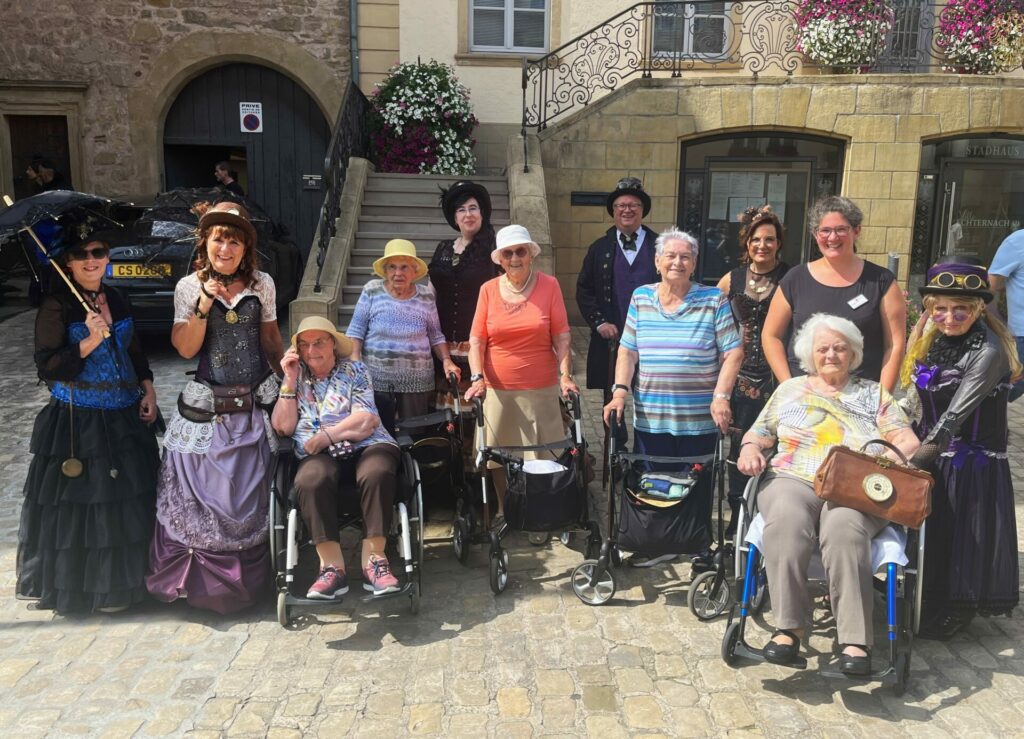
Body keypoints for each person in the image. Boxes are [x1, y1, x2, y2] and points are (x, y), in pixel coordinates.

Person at [738, 314, 920, 674]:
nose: (832, 354)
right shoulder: (790, 390)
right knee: (786, 521)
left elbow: (907, 441)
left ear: (853, 354)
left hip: (855, 487)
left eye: (840, 348)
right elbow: (758, 432)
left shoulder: (872, 394)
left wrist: (877, 460)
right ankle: (788, 627)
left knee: (842, 528)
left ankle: (854, 640)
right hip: (793, 478)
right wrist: (750, 450)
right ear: (810, 354)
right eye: (823, 348)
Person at [146, 201, 284, 614]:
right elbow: (186, 348)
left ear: (246, 248)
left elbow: (271, 341)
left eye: (235, 241)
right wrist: (203, 304)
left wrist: (292, 380)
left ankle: (252, 585)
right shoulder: (189, 287)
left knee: (251, 493)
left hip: (254, 403)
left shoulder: (263, 285)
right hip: (207, 407)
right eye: (219, 238)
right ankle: (196, 585)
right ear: (205, 242)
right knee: (203, 494)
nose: (226, 248)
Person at [17, 232, 160, 613]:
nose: (92, 260)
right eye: (81, 255)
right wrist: (89, 341)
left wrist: (148, 388)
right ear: (68, 264)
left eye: (98, 251)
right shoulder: (56, 305)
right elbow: (47, 366)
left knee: (129, 500)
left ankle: (131, 585)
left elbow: (134, 351)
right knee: (92, 503)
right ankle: (98, 590)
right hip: (78, 418)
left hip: (125, 412)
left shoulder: (116, 297)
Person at [603, 229, 743, 564]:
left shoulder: (713, 299)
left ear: (694, 263)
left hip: (698, 418)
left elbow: (733, 352)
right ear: (657, 261)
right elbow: (627, 350)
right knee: (653, 481)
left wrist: (722, 395)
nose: (677, 262)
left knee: (694, 482)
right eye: (671, 256)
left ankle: (693, 542)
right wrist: (620, 391)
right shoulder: (641, 297)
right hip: (652, 415)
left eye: (685, 257)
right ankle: (656, 542)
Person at [902, 259, 1021, 639]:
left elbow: (953, 418)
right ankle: (930, 596)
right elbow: (913, 399)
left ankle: (959, 607)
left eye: (960, 309)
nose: (949, 317)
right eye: (940, 308)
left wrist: (913, 461)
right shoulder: (933, 341)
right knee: (935, 532)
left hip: (971, 462)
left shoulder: (987, 351)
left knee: (961, 535)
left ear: (978, 309)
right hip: (935, 455)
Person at [271, 316, 402, 598]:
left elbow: (366, 419)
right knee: (310, 478)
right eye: (304, 344)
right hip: (318, 455)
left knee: (377, 470)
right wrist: (290, 380)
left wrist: (327, 436)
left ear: (333, 344)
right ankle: (331, 568)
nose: (311, 350)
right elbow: (283, 426)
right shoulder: (296, 377)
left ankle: (375, 562)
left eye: (319, 342)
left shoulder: (355, 370)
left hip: (366, 444)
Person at [465, 225, 579, 518]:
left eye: (520, 251)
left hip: (539, 388)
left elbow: (562, 335)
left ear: (530, 255)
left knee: (541, 455)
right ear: (500, 259)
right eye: (508, 253)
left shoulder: (549, 285)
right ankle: (507, 509)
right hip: (498, 390)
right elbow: (477, 340)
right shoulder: (487, 290)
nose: (514, 258)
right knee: (501, 455)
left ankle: (538, 512)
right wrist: (477, 378)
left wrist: (565, 376)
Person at [762, 195, 906, 391]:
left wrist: (882, 398)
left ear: (857, 230)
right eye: (825, 231)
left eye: (841, 230)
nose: (832, 238)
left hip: (862, 396)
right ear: (815, 234)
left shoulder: (881, 281)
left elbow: (895, 345)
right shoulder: (794, 279)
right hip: (805, 396)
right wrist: (789, 386)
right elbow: (771, 336)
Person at [716, 205, 790, 534]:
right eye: (757, 239)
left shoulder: (791, 278)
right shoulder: (731, 279)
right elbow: (712, 322)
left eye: (770, 240)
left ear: (778, 243)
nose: (763, 245)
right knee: (738, 448)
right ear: (747, 243)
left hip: (777, 374)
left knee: (776, 445)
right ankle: (737, 516)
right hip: (740, 374)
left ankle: (770, 512)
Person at [347, 239, 459, 434]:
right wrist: (356, 363)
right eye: (392, 267)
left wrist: (447, 360)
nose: (398, 273)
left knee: (415, 434)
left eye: (404, 267)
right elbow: (356, 330)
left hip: (417, 379)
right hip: (376, 377)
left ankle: (412, 465)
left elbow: (435, 334)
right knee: (377, 432)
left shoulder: (426, 296)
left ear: (414, 271)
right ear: (385, 270)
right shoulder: (372, 290)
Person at [576, 177, 659, 406]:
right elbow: (585, 289)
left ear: (643, 210)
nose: (627, 210)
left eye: (633, 205)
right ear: (613, 211)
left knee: (652, 397)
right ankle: (614, 442)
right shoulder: (599, 248)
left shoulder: (662, 246)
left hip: (652, 338)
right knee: (613, 399)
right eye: (621, 206)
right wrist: (600, 322)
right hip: (612, 340)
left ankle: (647, 442)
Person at [428, 180, 498, 408]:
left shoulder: (494, 249)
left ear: (482, 213)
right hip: (443, 346)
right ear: (455, 217)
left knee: (475, 412)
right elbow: (432, 291)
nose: (468, 214)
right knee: (445, 414)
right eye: (461, 209)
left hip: (478, 345)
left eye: (473, 208)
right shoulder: (443, 248)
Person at [988, 227, 1024, 401]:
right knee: (1007, 391)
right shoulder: (1017, 241)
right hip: (1022, 333)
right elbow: (990, 286)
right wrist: (997, 327)